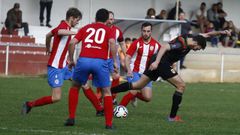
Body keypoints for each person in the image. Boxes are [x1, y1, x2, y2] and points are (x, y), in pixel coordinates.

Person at [111, 30, 231, 122]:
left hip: (159, 62)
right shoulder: (181, 43)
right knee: (181, 85)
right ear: (196, 43)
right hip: (162, 63)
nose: (196, 50)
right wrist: (157, 62)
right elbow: (164, 47)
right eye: (198, 48)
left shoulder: (194, 38)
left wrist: (222, 32)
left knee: (137, 85)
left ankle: (109, 91)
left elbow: (208, 34)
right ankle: (172, 117)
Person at [64, 8, 118, 130]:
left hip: (83, 60)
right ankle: (109, 124)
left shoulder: (85, 28)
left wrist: (71, 59)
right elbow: (112, 44)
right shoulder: (109, 30)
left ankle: (71, 118)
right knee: (106, 92)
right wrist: (115, 61)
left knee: (75, 86)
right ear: (106, 20)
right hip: (100, 62)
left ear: (95, 18)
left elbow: (72, 43)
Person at [21, 8, 82, 114]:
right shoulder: (63, 26)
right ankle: (29, 104)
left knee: (82, 82)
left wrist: (48, 47)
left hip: (64, 66)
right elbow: (59, 31)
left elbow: (48, 35)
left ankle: (99, 109)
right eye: (77, 20)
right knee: (56, 97)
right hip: (56, 68)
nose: (77, 22)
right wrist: (76, 32)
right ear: (71, 18)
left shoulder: (66, 26)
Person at [119, 22, 161, 108]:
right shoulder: (136, 43)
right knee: (134, 90)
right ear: (141, 31)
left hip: (146, 74)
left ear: (151, 31)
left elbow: (163, 54)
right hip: (134, 71)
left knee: (147, 98)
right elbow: (127, 57)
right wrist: (129, 70)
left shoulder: (156, 45)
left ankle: (133, 96)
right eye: (144, 31)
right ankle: (120, 108)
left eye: (148, 31)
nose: (146, 33)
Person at [95, 11, 127, 105]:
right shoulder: (100, 29)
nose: (110, 21)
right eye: (109, 19)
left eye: (112, 19)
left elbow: (122, 43)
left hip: (113, 58)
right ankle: (99, 97)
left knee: (116, 76)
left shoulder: (117, 30)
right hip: (101, 57)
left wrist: (126, 56)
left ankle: (113, 97)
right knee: (100, 77)